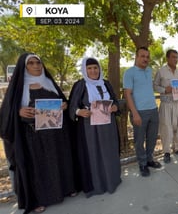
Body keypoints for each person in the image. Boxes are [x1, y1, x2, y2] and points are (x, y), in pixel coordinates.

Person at [0, 53, 78, 214]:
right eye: (31, 63)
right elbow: (7, 112)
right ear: (24, 67)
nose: (36, 66)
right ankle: (39, 200)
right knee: (38, 167)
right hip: (34, 137)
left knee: (60, 162)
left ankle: (66, 189)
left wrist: (64, 105)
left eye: (38, 62)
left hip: (57, 135)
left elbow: (63, 102)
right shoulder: (18, 87)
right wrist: (19, 111)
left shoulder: (49, 82)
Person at [68, 57, 121, 197]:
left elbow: (115, 101)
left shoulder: (106, 83)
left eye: (95, 68)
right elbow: (72, 106)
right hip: (90, 129)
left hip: (108, 126)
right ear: (85, 70)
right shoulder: (80, 85)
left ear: (99, 69)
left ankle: (111, 181)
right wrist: (79, 111)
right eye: (90, 68)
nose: (93, 71)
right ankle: (97, 186)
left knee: (109, 153)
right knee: (94, 155)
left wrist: (115, 107)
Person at [123, 47, 161, 177]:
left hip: (153, 110)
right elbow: (127, 94)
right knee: (139, 140)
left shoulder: (149, 70)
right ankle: (142, 163)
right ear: (136, 57)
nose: (145, 59)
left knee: (152, 138)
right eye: (142, 56)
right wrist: (134, 113)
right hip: (139, 112)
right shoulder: (129, 72)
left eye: (147, 57)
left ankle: (149, 159)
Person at [154, 49, 178, 163]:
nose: (175, 59)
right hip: (166, 103)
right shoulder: (161, 71)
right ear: (167, 58)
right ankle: (166, 152)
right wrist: (165, 89)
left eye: (177, 57)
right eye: (173, 57)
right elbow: (155, 86)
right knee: (167, 128)